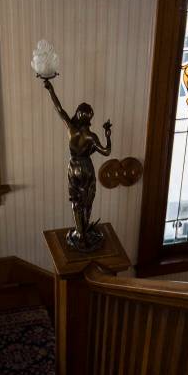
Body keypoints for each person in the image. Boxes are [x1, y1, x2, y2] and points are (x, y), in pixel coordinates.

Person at [42, 77, 112, 251]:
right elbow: (107, 152)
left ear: (78, 114)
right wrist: (108, 135)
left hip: (73, 167)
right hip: (86, 168)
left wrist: (50, 89)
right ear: (90, 117)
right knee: (87, 199)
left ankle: (79, 233)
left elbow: (59, 108)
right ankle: (84, 232)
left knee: (75, 199)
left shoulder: (71, 129)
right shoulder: (92, 136)